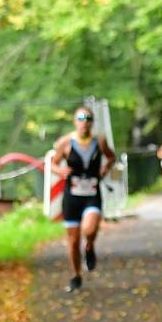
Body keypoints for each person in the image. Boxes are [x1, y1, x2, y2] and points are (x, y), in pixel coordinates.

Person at [51, 106, 116, 292]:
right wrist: (61, 171)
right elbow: (53, 163)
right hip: (72, 195)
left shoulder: (99, 141)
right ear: (75, 121)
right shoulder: (65, 142)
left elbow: (111, 157)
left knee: (89, 229)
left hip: (92, 193)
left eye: (87, 118)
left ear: (91, 122)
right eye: (80, 118)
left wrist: (105, 168)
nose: (84, 121)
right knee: (72, 240)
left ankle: (89, 247)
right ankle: (75, 275)